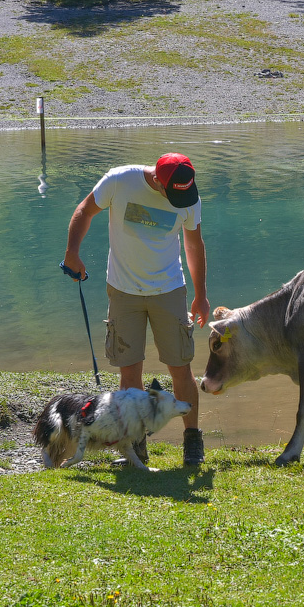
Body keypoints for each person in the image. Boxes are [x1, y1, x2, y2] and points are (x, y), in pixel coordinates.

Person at [63, 152, 210, 466]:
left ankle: (193, 444)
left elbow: (194, 244)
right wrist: (72, 252)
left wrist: (201, 295)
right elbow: (84, 211)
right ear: (157, 179)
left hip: (169, 290)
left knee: (181, 370)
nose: (179, 199)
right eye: (172, 192)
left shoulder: (188, 197)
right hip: (124, 292)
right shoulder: (119, 180)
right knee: (130, 374)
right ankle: (137, 449)